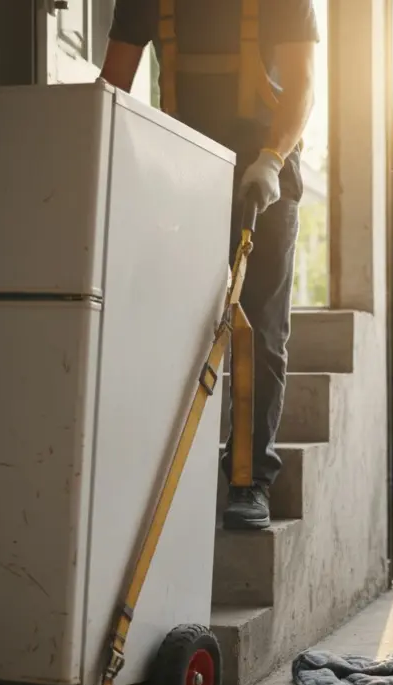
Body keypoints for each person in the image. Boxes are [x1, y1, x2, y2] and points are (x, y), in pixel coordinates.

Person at [100, 0, 319, 530]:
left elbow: (302, 86)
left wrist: (272, 159)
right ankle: (168, 472)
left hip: (262, 178)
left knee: (257, 331)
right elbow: (112, 87)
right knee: (171, 325)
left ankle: (248, 480)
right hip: (180, 170)